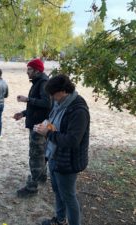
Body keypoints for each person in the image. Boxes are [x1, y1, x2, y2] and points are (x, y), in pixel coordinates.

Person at [34, 74, 90, 225]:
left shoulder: (78, 110)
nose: (51, 97)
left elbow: (73, 140)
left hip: (68, 161)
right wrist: (45, 126)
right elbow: (55, 123)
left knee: (69, 197)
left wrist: (49, 133)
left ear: (64, 90)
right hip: (54, 156)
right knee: (58, 192)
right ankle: (59, 220)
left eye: (53, 94)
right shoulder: (59, 103)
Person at [13, 58, 51, 198]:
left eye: (29, 69)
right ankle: (42, 177)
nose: (27, 72)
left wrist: (27, 99)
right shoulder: (39, 82)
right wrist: (22, 114)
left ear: (37, 70)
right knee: (41, 153)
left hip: (39, 126)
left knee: (35, 155)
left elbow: (47, 103)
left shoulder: (43, 83)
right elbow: (37, 106)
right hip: (38, 123)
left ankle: (32, 188)